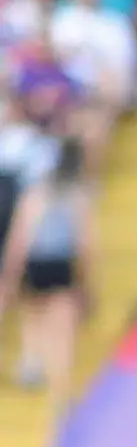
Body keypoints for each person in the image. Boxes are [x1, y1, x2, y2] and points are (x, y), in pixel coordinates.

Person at [1, 135, 88, 409]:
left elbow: (20, 239)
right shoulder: (76, 197)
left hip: (36, 263)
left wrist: (11, 275)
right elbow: (86, 242)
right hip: (60, 263)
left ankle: (31, 359)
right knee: (61, 328)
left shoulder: (35, 196)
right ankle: (59, 385)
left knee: (32, 314)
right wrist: (85, 281)